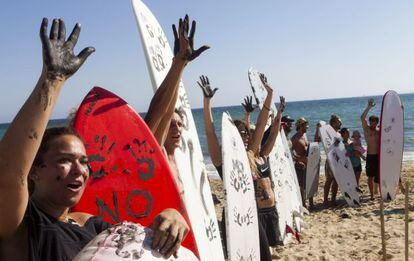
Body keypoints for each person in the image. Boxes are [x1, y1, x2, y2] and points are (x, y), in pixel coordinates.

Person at [0, 17, 192, 261]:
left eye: (84, 161)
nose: (80, 170)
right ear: (34, 170)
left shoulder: (90, 224)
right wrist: (52, 80)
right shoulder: (22, 225)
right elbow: (8, 175)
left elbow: (130, 251)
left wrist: (171, 216)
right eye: (66, 160)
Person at [198, 74, 283, 260]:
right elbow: (210, 132)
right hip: (234, 219)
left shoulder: (250, 155)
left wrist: (269, 94)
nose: (245, 136)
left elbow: (260, 125)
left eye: (245, 132)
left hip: (253, 216)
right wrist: (207, 102)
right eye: (239, 133)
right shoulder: (222, 161)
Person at [144, 15, 209, 196]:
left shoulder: (180, 161)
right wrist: (179, 63)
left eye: (180, 124)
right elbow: (160, 112)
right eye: (171, 124)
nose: (176, 129)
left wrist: (182, 64)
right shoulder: (159, 156)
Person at [315, 114, 342, 207]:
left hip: (338, 160)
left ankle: (333, 199)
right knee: (329, 180)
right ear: (334, 123)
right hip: (330, 160)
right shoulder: (326, 133)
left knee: (337, 181)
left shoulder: (339, 134)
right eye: (339, 122)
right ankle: (325, 200)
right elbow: (316, 141)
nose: (340, 123)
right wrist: (317, 129)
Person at [361, 98, 380, 200]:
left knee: (379, 175)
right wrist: (369, 107)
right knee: (370, 177)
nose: (372, 123)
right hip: (370, 156)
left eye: (374, 122)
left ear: (377, 122)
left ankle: (377, 191)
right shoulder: (367, 130)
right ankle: (372, 194)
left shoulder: (379, 130)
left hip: (379, 156)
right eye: (371, 121)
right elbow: (362, 118)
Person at [291, 117, 311, 208]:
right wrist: (299, 160)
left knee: (308, 184)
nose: (307, 127)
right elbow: (290, 153)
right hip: (299, 165)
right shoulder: (294, 138)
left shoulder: (304, 136)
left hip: (307, 164)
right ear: (300, 126)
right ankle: (303, 204)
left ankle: (310, 203)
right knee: (302, 186)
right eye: (306, 125)